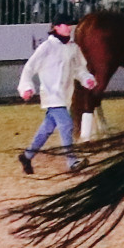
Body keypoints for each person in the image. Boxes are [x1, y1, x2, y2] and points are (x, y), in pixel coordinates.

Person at [16, 21, 89, 174]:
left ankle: (27, 156)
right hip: (51, 94)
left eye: (69, 25)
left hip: (65, 95)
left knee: (47, 129)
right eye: (65, 25)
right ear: (56, 27)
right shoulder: (46, 47)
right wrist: (26, 87)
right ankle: (72, 161)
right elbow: (29, 67)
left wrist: (86, 78)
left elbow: (79, 68)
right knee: (66, 124)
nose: (69, 27)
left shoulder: (73, 47)